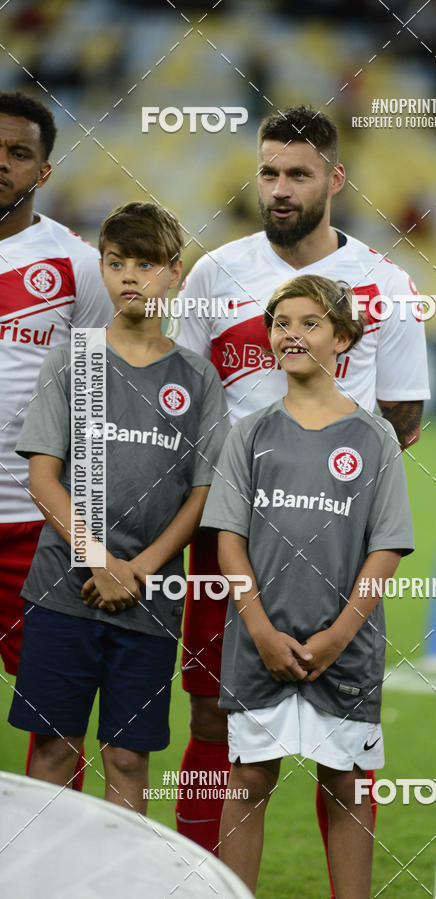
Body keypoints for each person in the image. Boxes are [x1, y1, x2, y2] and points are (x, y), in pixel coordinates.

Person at [171, 105, 429, 871]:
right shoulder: (216, 273)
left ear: (334, 179)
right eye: (270, 172)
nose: (280, 188)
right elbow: (186, 399)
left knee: (344, 737)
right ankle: (199, 883)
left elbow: (403, 417)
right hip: (230, 536)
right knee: (215, 719)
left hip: (338, 544)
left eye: (298, 173)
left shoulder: (385, 284)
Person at [8, 202, 230, 813]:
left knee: (129, 759)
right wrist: (99, 559)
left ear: (175, 273)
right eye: (116, 263)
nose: (130, 276)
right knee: (53, 750)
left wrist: (140, 569)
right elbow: (42, 476)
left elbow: (203, 492)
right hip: (63, 587)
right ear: (101, 269)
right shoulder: (73, 358)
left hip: (151, 598)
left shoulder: (198, 377)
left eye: (146, 263)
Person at [201, 274, 414, 897]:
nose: (291, 334)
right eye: (281, 323)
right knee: (247, 782)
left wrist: (340, 635)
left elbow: (386, 547)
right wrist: (260, 629)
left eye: (310, 323)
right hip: (260, 645)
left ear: (343, 338)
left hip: (344, 649)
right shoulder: (251, 433)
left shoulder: (374, 436)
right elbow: (228, 540)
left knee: (346, 785)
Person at [0, 89, 112, 789]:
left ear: (43, 172)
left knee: (56, 723)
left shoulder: (77, 267)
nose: (2, 165)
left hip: (32, 528)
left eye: (18, 154)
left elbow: (101, 409)